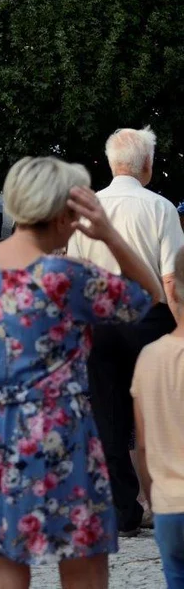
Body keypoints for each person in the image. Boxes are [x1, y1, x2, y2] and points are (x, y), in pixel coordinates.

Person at [0, 156, 159, 587]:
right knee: (82, 564)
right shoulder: (65, 276)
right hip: (54, 435)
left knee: (3, 570)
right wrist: (109, 235)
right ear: (62, 213)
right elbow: (148, 298)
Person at [67, 127, 184, 537]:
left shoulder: (89, 208)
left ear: (110, 162)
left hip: (99, 320)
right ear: (147, 166)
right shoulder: (161, 208)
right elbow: (171, 280)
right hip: (148, 319)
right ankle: (167, 500)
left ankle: (121, 510)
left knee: (109, 413)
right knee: (160, 410)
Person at [132, 249, 184, 587]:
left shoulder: (149, 357)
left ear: (174, 291)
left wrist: (152, 498)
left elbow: (145, 445)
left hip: (168, 506)